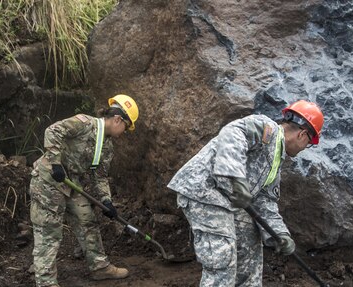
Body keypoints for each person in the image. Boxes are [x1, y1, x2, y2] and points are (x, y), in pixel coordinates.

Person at [167, 100, 324, 286]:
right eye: (309, 143)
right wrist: (236, 178)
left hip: (226, 201)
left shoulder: (276, 160)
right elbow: (232, 132)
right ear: (302, 135)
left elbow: (266, 201)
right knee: (222, 261)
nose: (305, 148)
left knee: (251, 247)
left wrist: (280, 235)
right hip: (204, 191)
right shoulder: (267, 128)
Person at [29, 94, 139, 287]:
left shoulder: (107, 146)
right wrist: (55, 163)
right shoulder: (84, 123)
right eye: (126, 127)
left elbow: (100, 176)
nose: (125, 132)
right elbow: (52, 131)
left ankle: (99, 267)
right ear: (117, 119)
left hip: (72, 183)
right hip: (49, 180)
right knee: (49, 231)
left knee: (86, 219)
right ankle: (46, 282)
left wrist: (107, 201)